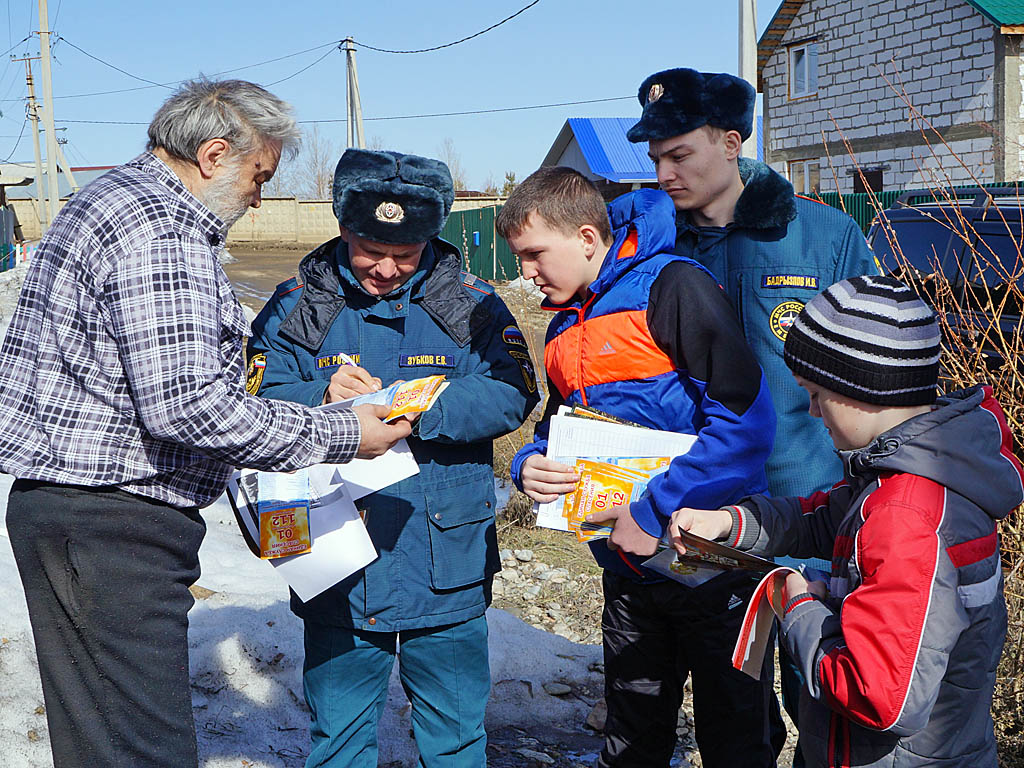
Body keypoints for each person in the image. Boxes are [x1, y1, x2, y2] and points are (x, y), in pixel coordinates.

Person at [0, 80, 410, 768]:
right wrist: (345, 434)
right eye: (260, 177)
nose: (260, 197)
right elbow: (187, 405)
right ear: (215, 155)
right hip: (114, 525)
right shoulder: (163, 229)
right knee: (140, 748)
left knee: (102, 740)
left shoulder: (111, 202)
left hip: (80, 514)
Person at [247, 148, 538, 768]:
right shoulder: (298, 304)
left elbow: (513, 392)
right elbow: (253, 401)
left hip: (445, 561)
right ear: (343, 227)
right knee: (339, 737)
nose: (384, 269)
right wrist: (321, 398)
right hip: (337, 563)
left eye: (404, 256)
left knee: (455, 737)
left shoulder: (472, 304)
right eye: (369, 250)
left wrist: (423, 406)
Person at [626, 66, 880, 762]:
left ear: (732, 141)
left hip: (807, 506)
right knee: (730, 701)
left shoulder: (821, 236)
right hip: (694, 512)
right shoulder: (647, 251)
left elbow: (882, 373)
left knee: (823, 690)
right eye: (655, 158)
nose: (665, 172)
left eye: (680, 154)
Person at [671, 275, 1021, 768]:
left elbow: (879, 695)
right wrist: (731, 523)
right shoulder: (897, 476)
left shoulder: (906, 514)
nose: (813, 412)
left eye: (817, 393)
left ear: (865, 387)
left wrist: (797, 608)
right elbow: (820, 516)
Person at [500, 166, 780, 768]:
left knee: (739, 736)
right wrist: (529, 464)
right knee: (632, 733)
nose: (526, 274)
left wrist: (652, 511)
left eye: (534, 254)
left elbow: (745, 425)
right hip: (628, 566)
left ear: (585, 237)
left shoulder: (675, 287)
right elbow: (560, 428)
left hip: (718, 562)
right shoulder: (561, 327)